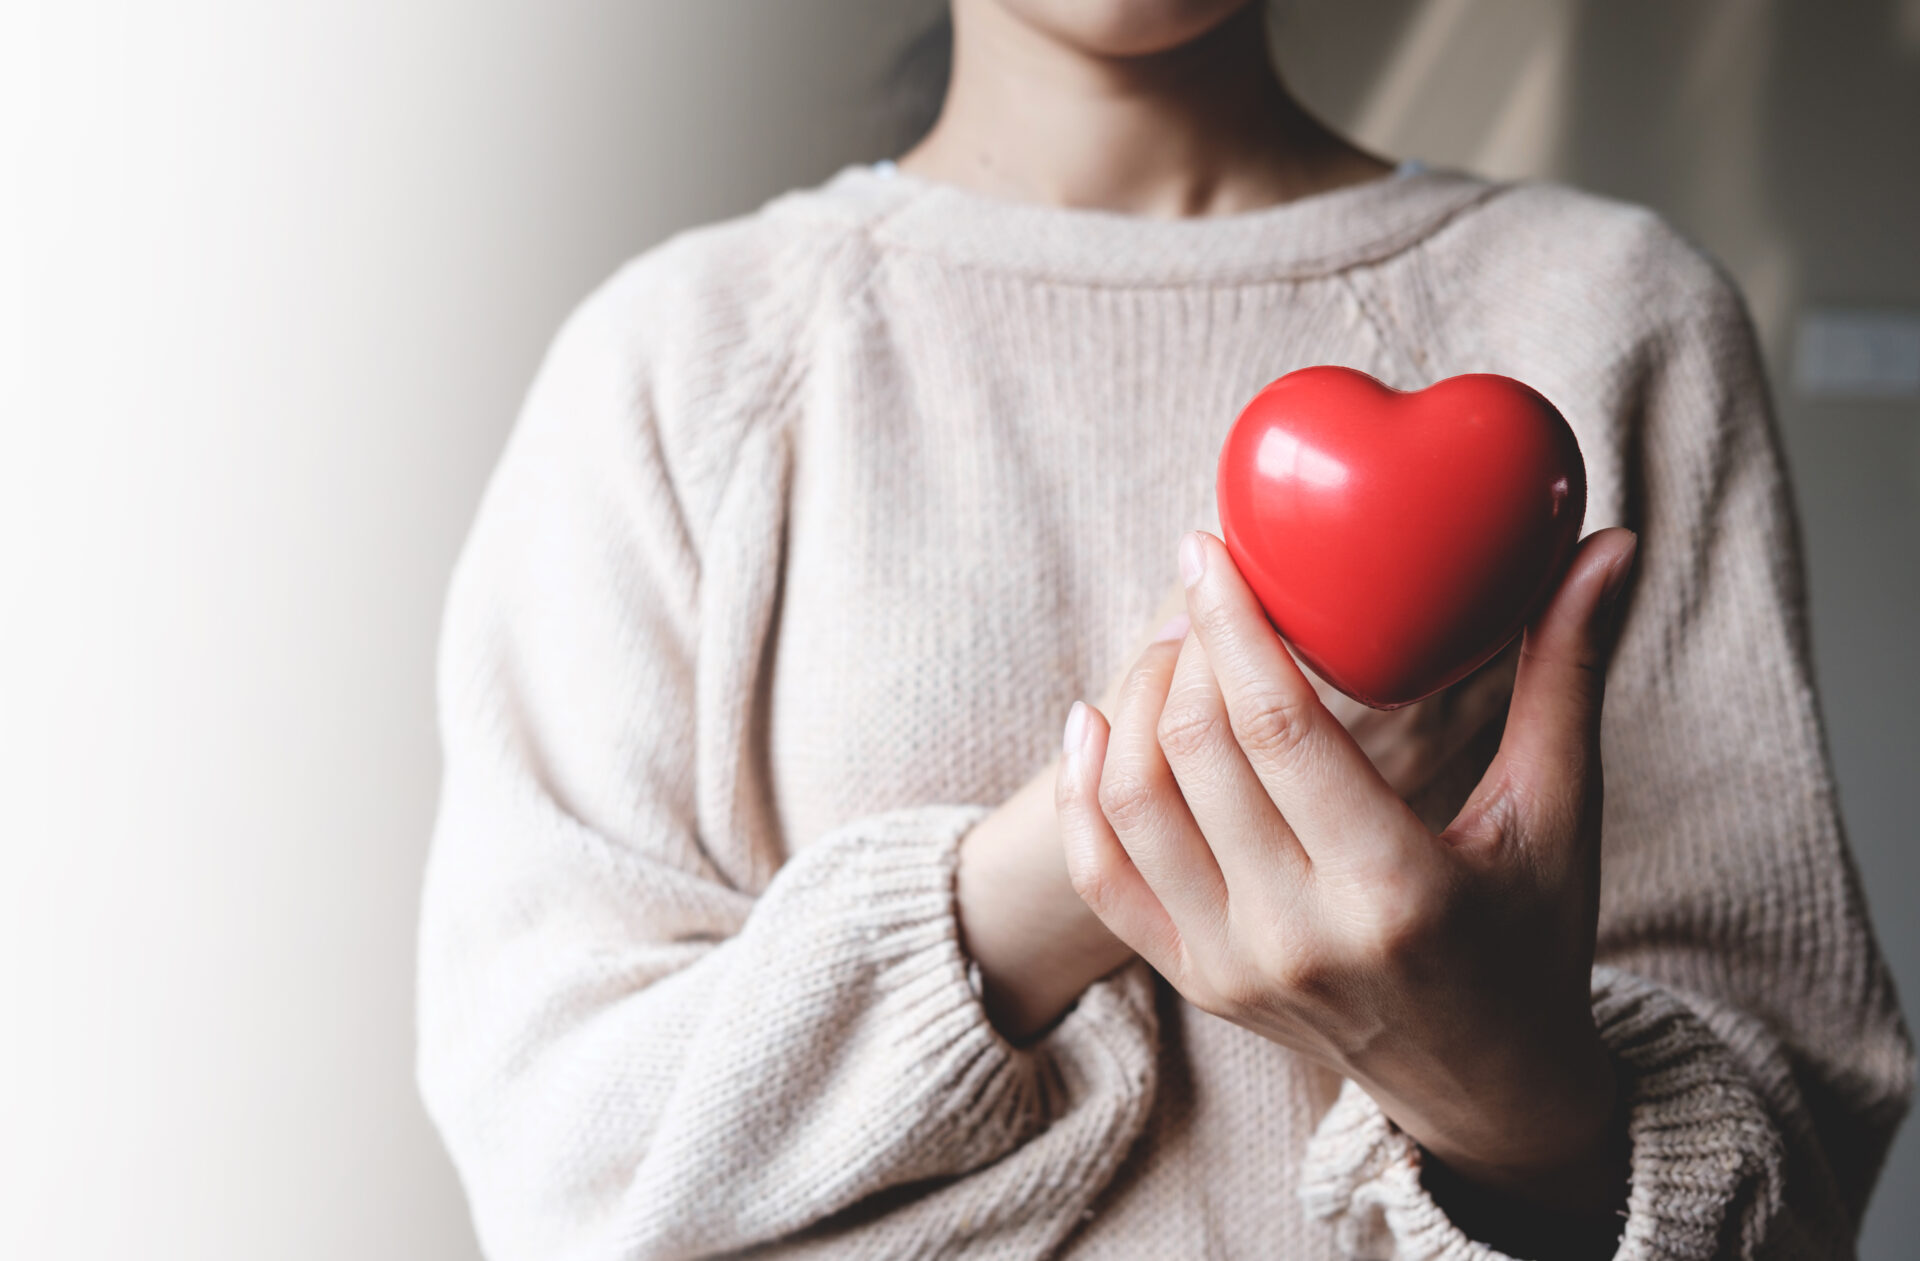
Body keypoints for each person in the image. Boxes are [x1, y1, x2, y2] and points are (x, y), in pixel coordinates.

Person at [415, 2, 1912, 1257]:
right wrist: (1065, 871)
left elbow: (1803, 1172)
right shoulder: (681, 360)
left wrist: (1510, 1103)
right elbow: (557, 1162)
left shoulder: (1615, 315)